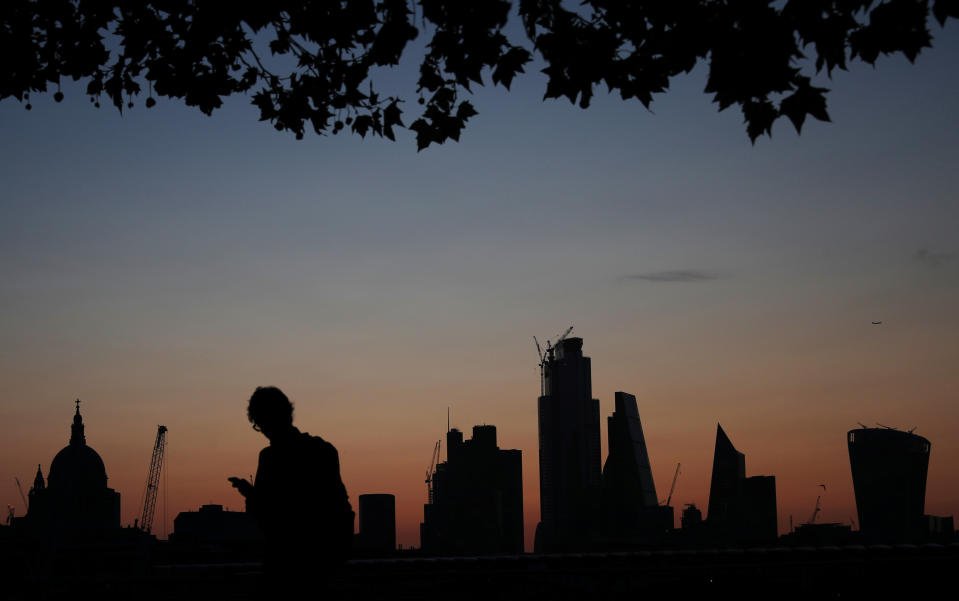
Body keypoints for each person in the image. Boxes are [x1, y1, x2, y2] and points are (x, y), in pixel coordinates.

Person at [230, 386, 354, 593]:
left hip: (283, 566)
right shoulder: (323, 450)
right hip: (323, 567)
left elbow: (267, 517)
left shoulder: (269, 459)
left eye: (261, 425)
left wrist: (250, 495)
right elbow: (341, 510)